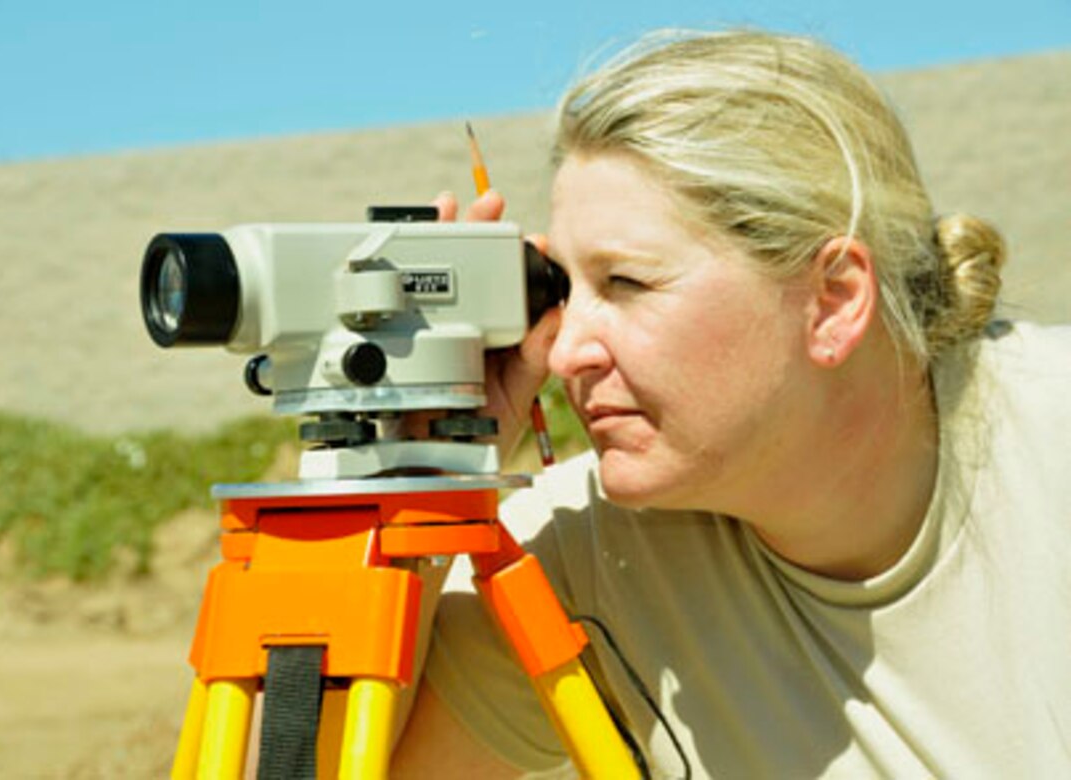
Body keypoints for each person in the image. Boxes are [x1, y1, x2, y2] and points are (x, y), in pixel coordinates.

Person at [391, 28, 1071, 777]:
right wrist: (418, 477)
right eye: (562, 288)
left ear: (834, 302)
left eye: (626, 283)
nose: (562, 350)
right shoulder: (575, 554)